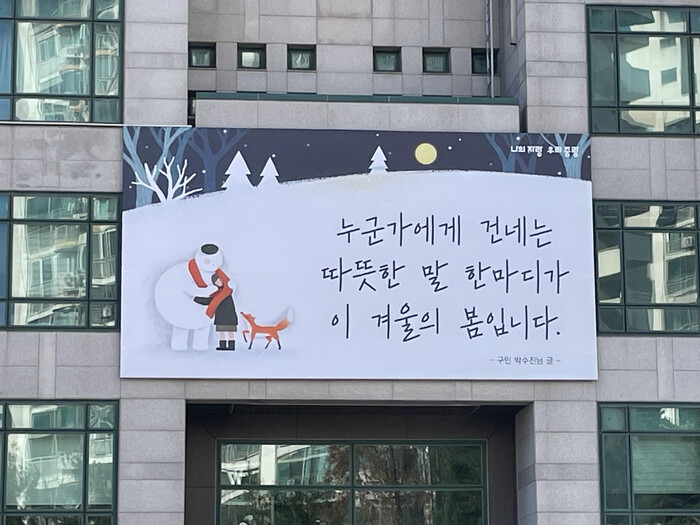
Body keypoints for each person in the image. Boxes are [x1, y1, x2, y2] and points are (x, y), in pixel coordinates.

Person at [193, 271, 237, 350]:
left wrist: (217, 269)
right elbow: (208, 301)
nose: (219, 283)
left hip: (230, 314)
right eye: (216, 282)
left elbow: (227, 281)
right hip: (220, 315)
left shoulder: (227, 290)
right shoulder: (216, 294)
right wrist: (195, 298)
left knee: (230, 331)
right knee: (221, 332)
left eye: (219, 280)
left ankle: (231, 346)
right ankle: (222, 346)